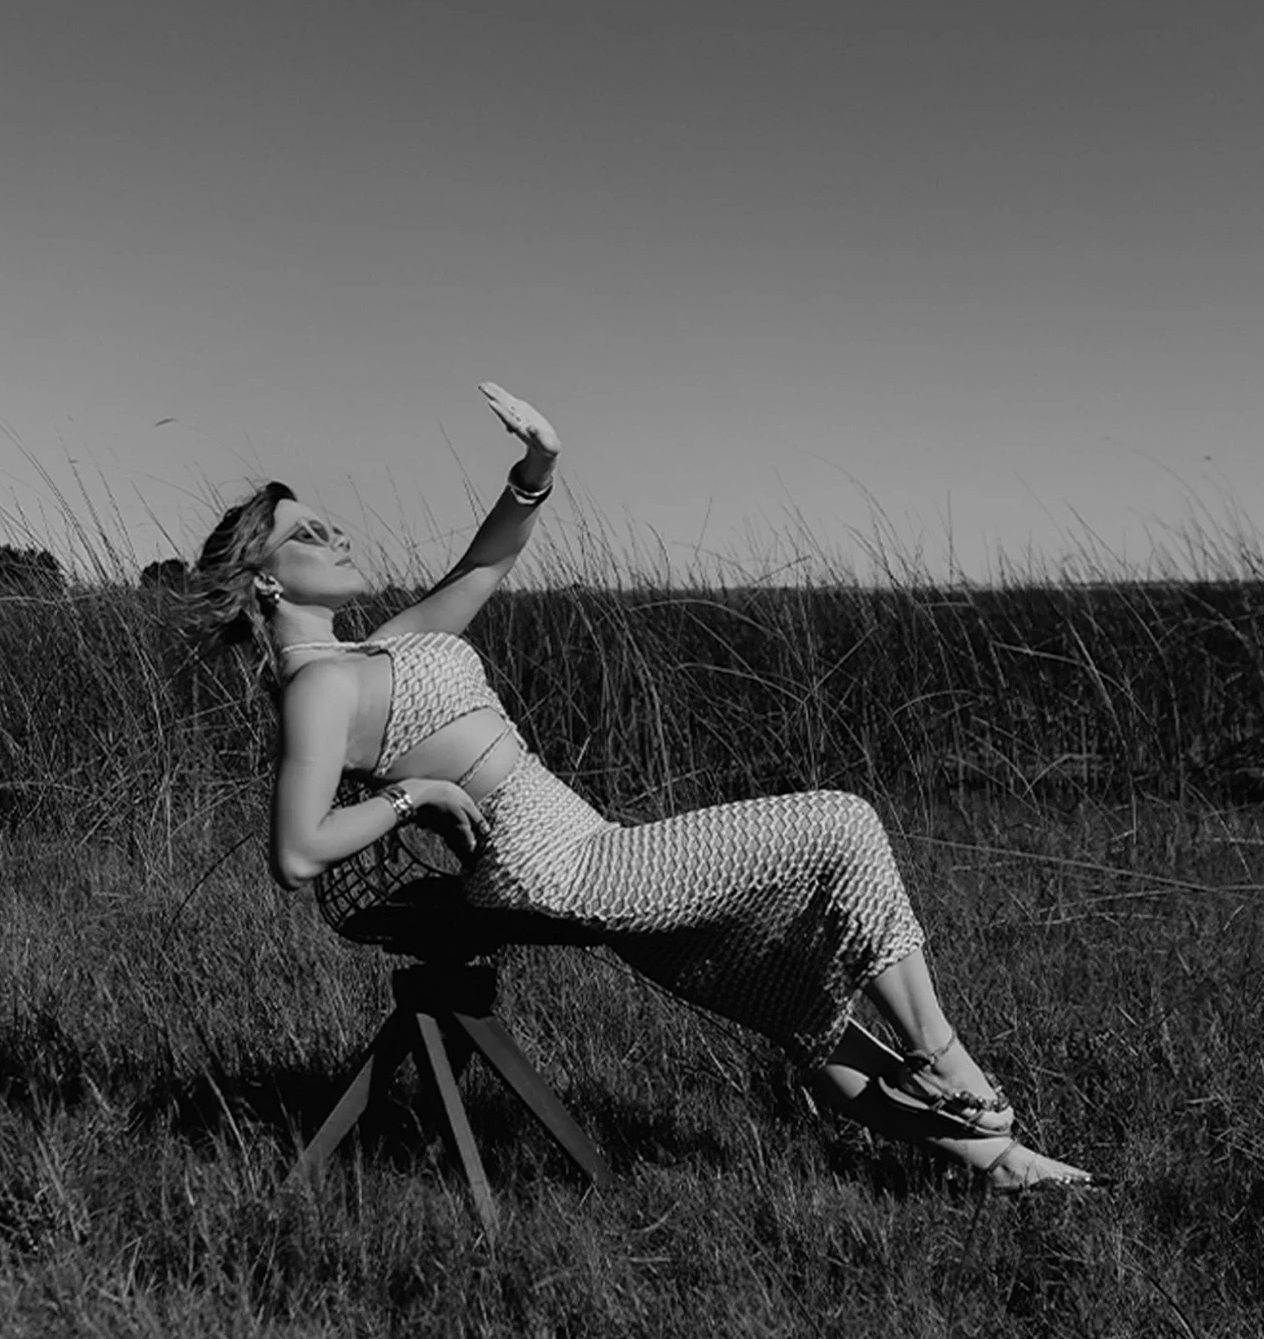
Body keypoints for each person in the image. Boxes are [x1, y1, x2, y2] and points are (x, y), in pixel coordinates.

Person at [193, 383, 1101, 1194]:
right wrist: (413, 795)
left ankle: (1002, 1165)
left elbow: (482, 566)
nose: (336, 534)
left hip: (585, 847)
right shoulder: (319, 686)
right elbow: (297, 851)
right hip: (555, 865)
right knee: (842, 821)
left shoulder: (372, 650)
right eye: (306, 534)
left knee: (795, 1006)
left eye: (327, 520)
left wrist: (537, 467)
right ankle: (946, 1065)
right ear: (265, 580)